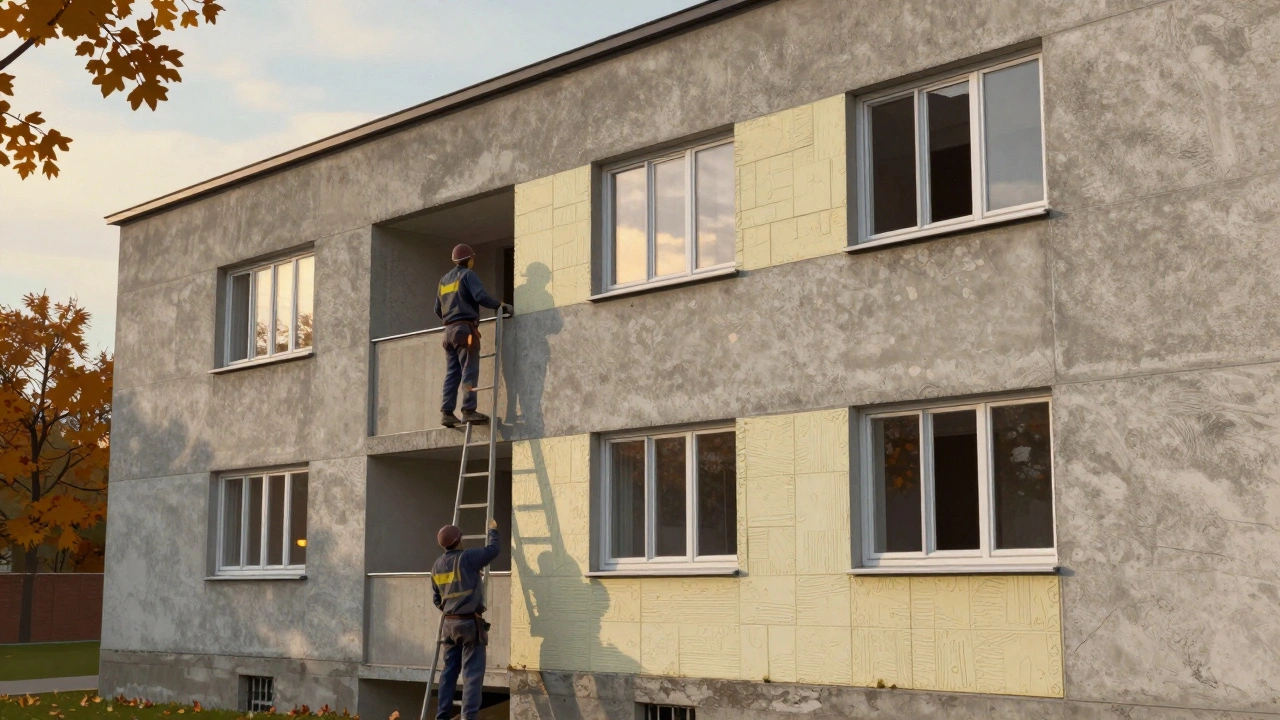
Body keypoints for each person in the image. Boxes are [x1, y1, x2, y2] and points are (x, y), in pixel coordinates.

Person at [431, 519, 500, 720]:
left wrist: (452, 608)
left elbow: (437, 599)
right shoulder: (467, 558)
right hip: (469, 623)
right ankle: (468, 718)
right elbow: (493, 550)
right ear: (459, 540)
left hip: (448, 625)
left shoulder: (436, 566)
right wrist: (493, 530)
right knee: (472, 676)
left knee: (448, 673)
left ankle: (442, 716)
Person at [434, 244, 509, 428]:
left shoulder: (443, 280)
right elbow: (481, 296)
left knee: (452, 373)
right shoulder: (468, 275)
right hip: (465, 330)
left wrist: (451, 318)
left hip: (448, 333)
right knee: (469, 369)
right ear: (469, 259)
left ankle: (447, 413)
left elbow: (437, 309)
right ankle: (468, 410)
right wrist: (501, 305)